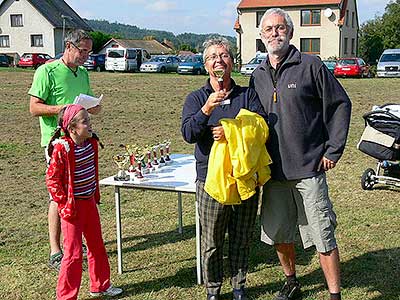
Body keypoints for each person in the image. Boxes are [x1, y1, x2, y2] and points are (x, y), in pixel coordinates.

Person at [250, 8, 352, 300]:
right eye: (268, 29)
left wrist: (333, 149)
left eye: (280, 28)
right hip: (274, 171)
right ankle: (291, 281)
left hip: (308, 167)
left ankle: (334, 294)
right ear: (261, 35)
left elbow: (340, 104)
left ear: (290, 33)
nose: (274, 34)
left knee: (322, 234)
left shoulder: (311, 65)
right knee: (280, 234)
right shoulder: (257, 75)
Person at [181, 37, 267, 300]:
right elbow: (188, 133)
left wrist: (231, 130)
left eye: (224, 56)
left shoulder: (247, 95)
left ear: (232, 62)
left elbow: (261, 128)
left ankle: (239, 286)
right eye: (213, 57)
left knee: (241, 237)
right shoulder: (196, 98)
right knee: (213, 240)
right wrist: (207, 108)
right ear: (206, 65)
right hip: (211, 180)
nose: (219, 61)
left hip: (243, 177)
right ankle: (213, 290)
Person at [29, 29, 101, 271]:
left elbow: (86, 103)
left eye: (89, 52)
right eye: (83, 51)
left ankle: (74, 241)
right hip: (57, 142)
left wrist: (93, 107)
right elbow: (34, 107)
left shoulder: (82, 73)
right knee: (58, 195)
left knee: (79, 191)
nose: (86, 56)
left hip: (79, 143)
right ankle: (55, 250)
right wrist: (63, 109)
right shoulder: (46, 71)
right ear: (68, 46)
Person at [46, 104, 122, 299]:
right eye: (85, 121)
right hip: (71, 208)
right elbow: (52, 180)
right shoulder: (62, 149)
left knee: (97, 245)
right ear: (72, 129)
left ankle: (100, 285)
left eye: (89, 120)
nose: (90, 124)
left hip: (89, 202)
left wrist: (94, 195)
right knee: (73, 254)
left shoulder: (91, 143)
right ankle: (66, 296)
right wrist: (63, 204)